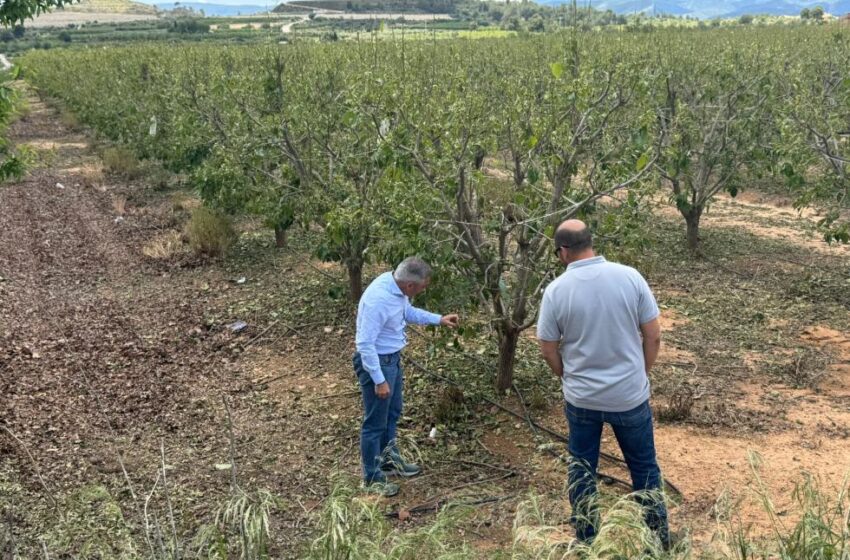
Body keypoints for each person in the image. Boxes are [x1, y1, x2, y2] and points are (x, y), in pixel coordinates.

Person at [536, 219, 669, 547]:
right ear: (590, 243)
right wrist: (641, 373)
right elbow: (653, 335)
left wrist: (566, 375)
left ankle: (586, 540)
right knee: (643, 467)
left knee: (582, 468)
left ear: (563, 251)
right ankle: (657, 539)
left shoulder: (556, 291)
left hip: (582, 399)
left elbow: (547, 346)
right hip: (629, 396)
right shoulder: (630, 277)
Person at [353, 257, 459, 497]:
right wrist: (379, 380)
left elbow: (406, 312)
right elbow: (364, 344)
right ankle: (372, 478)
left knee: (392, 413)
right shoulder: (378, 300)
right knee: (374, 423)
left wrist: (438, 319)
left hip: (392, 359)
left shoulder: (396, 288)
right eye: (423, 286)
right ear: (410, 285)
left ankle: (389, 461)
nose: (424, 289)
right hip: (377, 363)